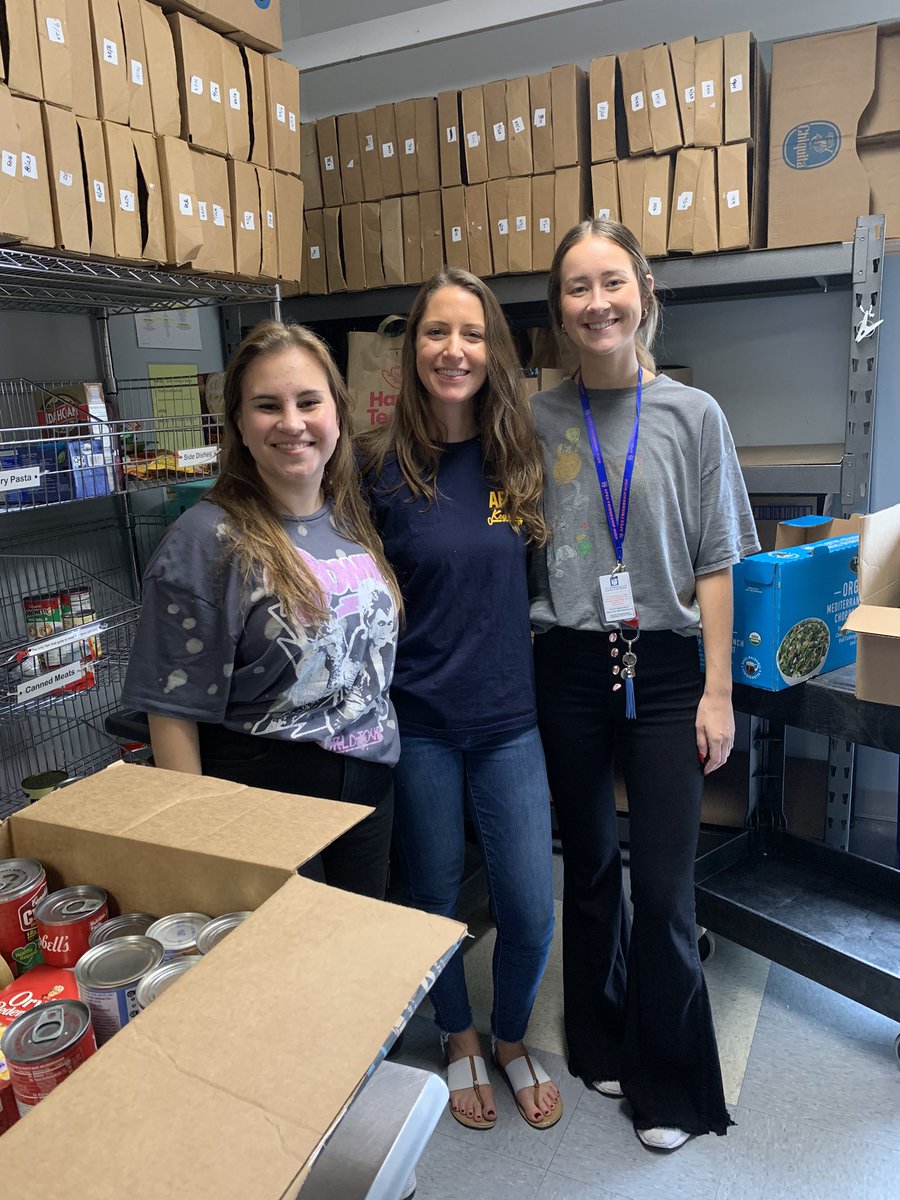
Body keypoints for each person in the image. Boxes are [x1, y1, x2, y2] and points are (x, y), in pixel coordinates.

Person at [530, 218, 760, 1151]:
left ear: (644, 292)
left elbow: (716, 562)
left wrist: (717, 692)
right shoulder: (536, 421)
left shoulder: (694, 417)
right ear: (560, 310)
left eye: (612, 282)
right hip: (570, 665)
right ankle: (598, 1037)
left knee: (663, 888)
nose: (597, 303)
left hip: (664, 670)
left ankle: (669, 1086)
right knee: (585, 867)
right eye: (578, 288)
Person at [358, 267, 562, 1131]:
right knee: (432, 898)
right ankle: (457, 1033)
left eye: (472, 335)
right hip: (424, 725)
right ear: (414, 352)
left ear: (494, 350)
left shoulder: (521, 459)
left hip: (511, 721)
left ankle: (510, 1032)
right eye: (437, 334)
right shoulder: (378, 472)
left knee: (527, 902)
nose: (454, 350)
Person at [122, 321, 402, 900]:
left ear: (337, 415)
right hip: (265, 796)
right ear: (240, 427)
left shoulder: (350, 515)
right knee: (290, 971)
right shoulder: (205, 540)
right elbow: (171, 714)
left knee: (351, 959)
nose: (292, 423)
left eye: (308, 402)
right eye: (267, 405)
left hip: (370, 784)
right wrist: (201, 844)